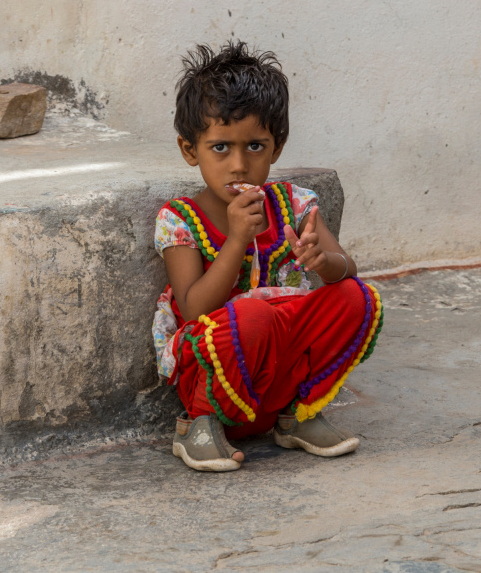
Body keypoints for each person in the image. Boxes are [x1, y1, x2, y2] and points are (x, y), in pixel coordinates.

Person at [152, 40, 383, 472]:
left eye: (255, 146)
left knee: (356, 297)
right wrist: (237, 239)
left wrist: (323, 262)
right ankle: (197, 425)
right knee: (253, 315)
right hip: (215, 374)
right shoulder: (180, 218)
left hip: (279, 374)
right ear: (190, 151)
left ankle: (298, 414)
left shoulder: (292, 204)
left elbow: (346, 270)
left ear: (276, 147)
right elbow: (193, 307)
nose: (239, 165)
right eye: (220, 147)